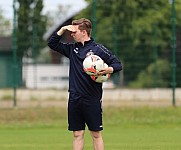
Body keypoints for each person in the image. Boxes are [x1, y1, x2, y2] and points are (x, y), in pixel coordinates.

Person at [48, 18, 122, 150]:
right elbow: (52, 44)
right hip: (74, 98)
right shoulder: (72, 49)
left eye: (74, 31)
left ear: (83, 32)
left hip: (91, 98)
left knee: (96, 134)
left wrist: (108, 70)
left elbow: (117, 64)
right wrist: (62, 29)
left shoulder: (98, 49)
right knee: (77, 133)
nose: (71, 34)